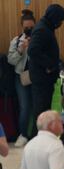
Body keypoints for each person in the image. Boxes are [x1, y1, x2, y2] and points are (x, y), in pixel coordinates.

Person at [27, 3, 64, 126]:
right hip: (42, 77)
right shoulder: (42, 29)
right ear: (54, 18)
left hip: (43, 77)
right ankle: (39, 139)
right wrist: (49, 65)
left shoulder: (45, 27)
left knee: (42, 109)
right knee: (41, 111)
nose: (61, 22)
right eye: (60, 19)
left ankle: (41, 137)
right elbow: (32, 51)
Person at [7, 9, 35, 145]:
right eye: (26, 28)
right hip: (21, 77)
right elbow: (10, 61)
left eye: (31, 28)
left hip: (37, 76)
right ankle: (23, 134)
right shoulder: (16, 40)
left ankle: (37, 134)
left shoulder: (40, 38)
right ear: (22, 27)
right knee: (24, 106)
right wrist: (20, 49)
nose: (29, 30)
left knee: (38, 105)